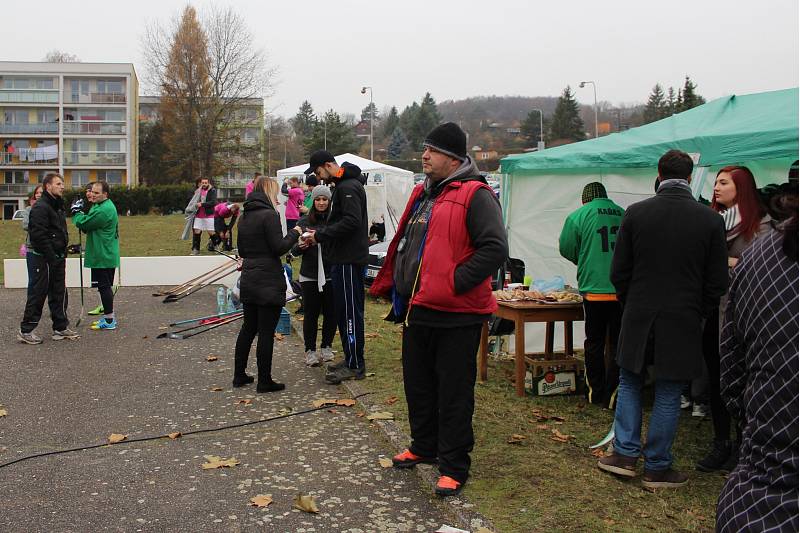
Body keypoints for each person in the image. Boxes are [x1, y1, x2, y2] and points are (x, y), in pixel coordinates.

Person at [370, 122, 508, 497]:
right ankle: (423, 445)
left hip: (457, 314)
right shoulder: (424, 194)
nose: (424, 156)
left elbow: (494, 249)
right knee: (419, 386)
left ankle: (453, 465)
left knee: (453, 392)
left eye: (432, 150)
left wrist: (454, 281)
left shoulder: (476, 194)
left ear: (453, 157)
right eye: (425, 149)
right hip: (418, 309)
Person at [597, 149, 727, 488]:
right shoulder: (710, 220)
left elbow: (619, 271)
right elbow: (717, 281)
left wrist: (631, 304)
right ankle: (657, 467)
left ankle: (625, 455)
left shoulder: (636, 214)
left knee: (630, 381)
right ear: (689, 176)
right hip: (682, 317)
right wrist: (698, 311)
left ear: (658, 173)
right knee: (669, 390)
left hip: (639, 312)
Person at [716, 209, 798, 532]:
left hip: (751, 505)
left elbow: (733, 381)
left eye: (726, 181)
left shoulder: (761, 250)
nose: (719, 187)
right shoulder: (764, 249)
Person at [694, 166, 772, 472]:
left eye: (723, 182)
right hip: (713, 311)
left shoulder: (760, 225)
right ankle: (721, 442)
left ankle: (743, 445)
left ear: (741, 187)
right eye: (715, 182)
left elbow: (764, 265)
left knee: (742, 379)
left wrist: (724, 260)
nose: (716, 187)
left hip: (744, 314)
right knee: (717, 377)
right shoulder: (712, 222)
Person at [303, 150, 370, 384]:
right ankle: (351, 358)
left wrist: (320, 235)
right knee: (343, 312)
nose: (318, 177)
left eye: (318, 172)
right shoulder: (342, 185)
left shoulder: (348, 187)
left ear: (328, 165)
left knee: (351, 313)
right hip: (341, 260)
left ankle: (355, 364)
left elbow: (352, 222)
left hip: (349, 260)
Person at [233, 176, 304, 392]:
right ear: (267, 192)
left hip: (249, 276)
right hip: (268, 279)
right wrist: (296, 232)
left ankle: (239, 375)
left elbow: (242, 250)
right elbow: (278, 247)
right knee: (265, 331)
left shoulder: (244, 216)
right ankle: (264, 380)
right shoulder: (269, 215)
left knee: (248, 328)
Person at [558, 182, 624, 408]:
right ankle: (614, 395)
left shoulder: (579, 215)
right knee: (617, 343)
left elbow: (566, 247)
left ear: (585, 199)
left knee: (594, 341)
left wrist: (583, 258)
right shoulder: (623, 213)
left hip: (594, 289)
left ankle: (595, 393)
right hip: (620, 290)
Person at [17, 172, 80, 344]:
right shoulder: (41, 207)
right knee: (38, 293)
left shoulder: (57, 205)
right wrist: (51, 256)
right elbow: (38, 235)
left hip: (58, 258)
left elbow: (57, 231)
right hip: (42, 258)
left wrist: (64, 249)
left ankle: (60, 327)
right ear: (48, 186)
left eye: (62, 183)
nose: (62, 186)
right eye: (58, 183)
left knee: (59, 292)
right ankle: (26, 330)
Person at [292, 185, 337, 367]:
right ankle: (310, 350)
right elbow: (294, 250)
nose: (321, 203)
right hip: (309, 274)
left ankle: (326, 346)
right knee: (310, 313)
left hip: (330, 273)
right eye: (318, 199)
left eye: (324, 199)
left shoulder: (335, 221)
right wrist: (301, 247)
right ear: (313, 201)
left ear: (329, 201)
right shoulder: (304, 221)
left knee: (331, 312)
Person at [72, 180, 120, 331]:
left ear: (105, 194)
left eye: (96, 193)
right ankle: (108, 317)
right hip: (103, 251)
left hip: (103, 254)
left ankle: (110, 319)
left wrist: (76, 213)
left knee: (104, 287)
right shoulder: (99, 205)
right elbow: (90, 227)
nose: (92, 194)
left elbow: (85, 224)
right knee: (104, 287)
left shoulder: (103, 209)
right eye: (92, 191)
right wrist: (81, 213)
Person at [190, 177, 218, 255]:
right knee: (197, 231)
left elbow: (213, 202)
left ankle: (216, 245)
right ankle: (196, 249)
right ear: (201, 183)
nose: (204, 184)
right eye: (203, 183)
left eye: (206, 183)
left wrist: (202, 204)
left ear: (208, 183)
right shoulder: (198, 191)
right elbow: (193, 201)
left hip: (208, 215)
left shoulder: (212, 191)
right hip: (199, 215)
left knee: (211, 232)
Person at [20, 184, 43, 257]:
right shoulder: (29, 209)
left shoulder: (51, 209)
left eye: (41, 193)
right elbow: (25, 225)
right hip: (31, 247)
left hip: (48, 247)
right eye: (36, 193)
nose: (38, 195)